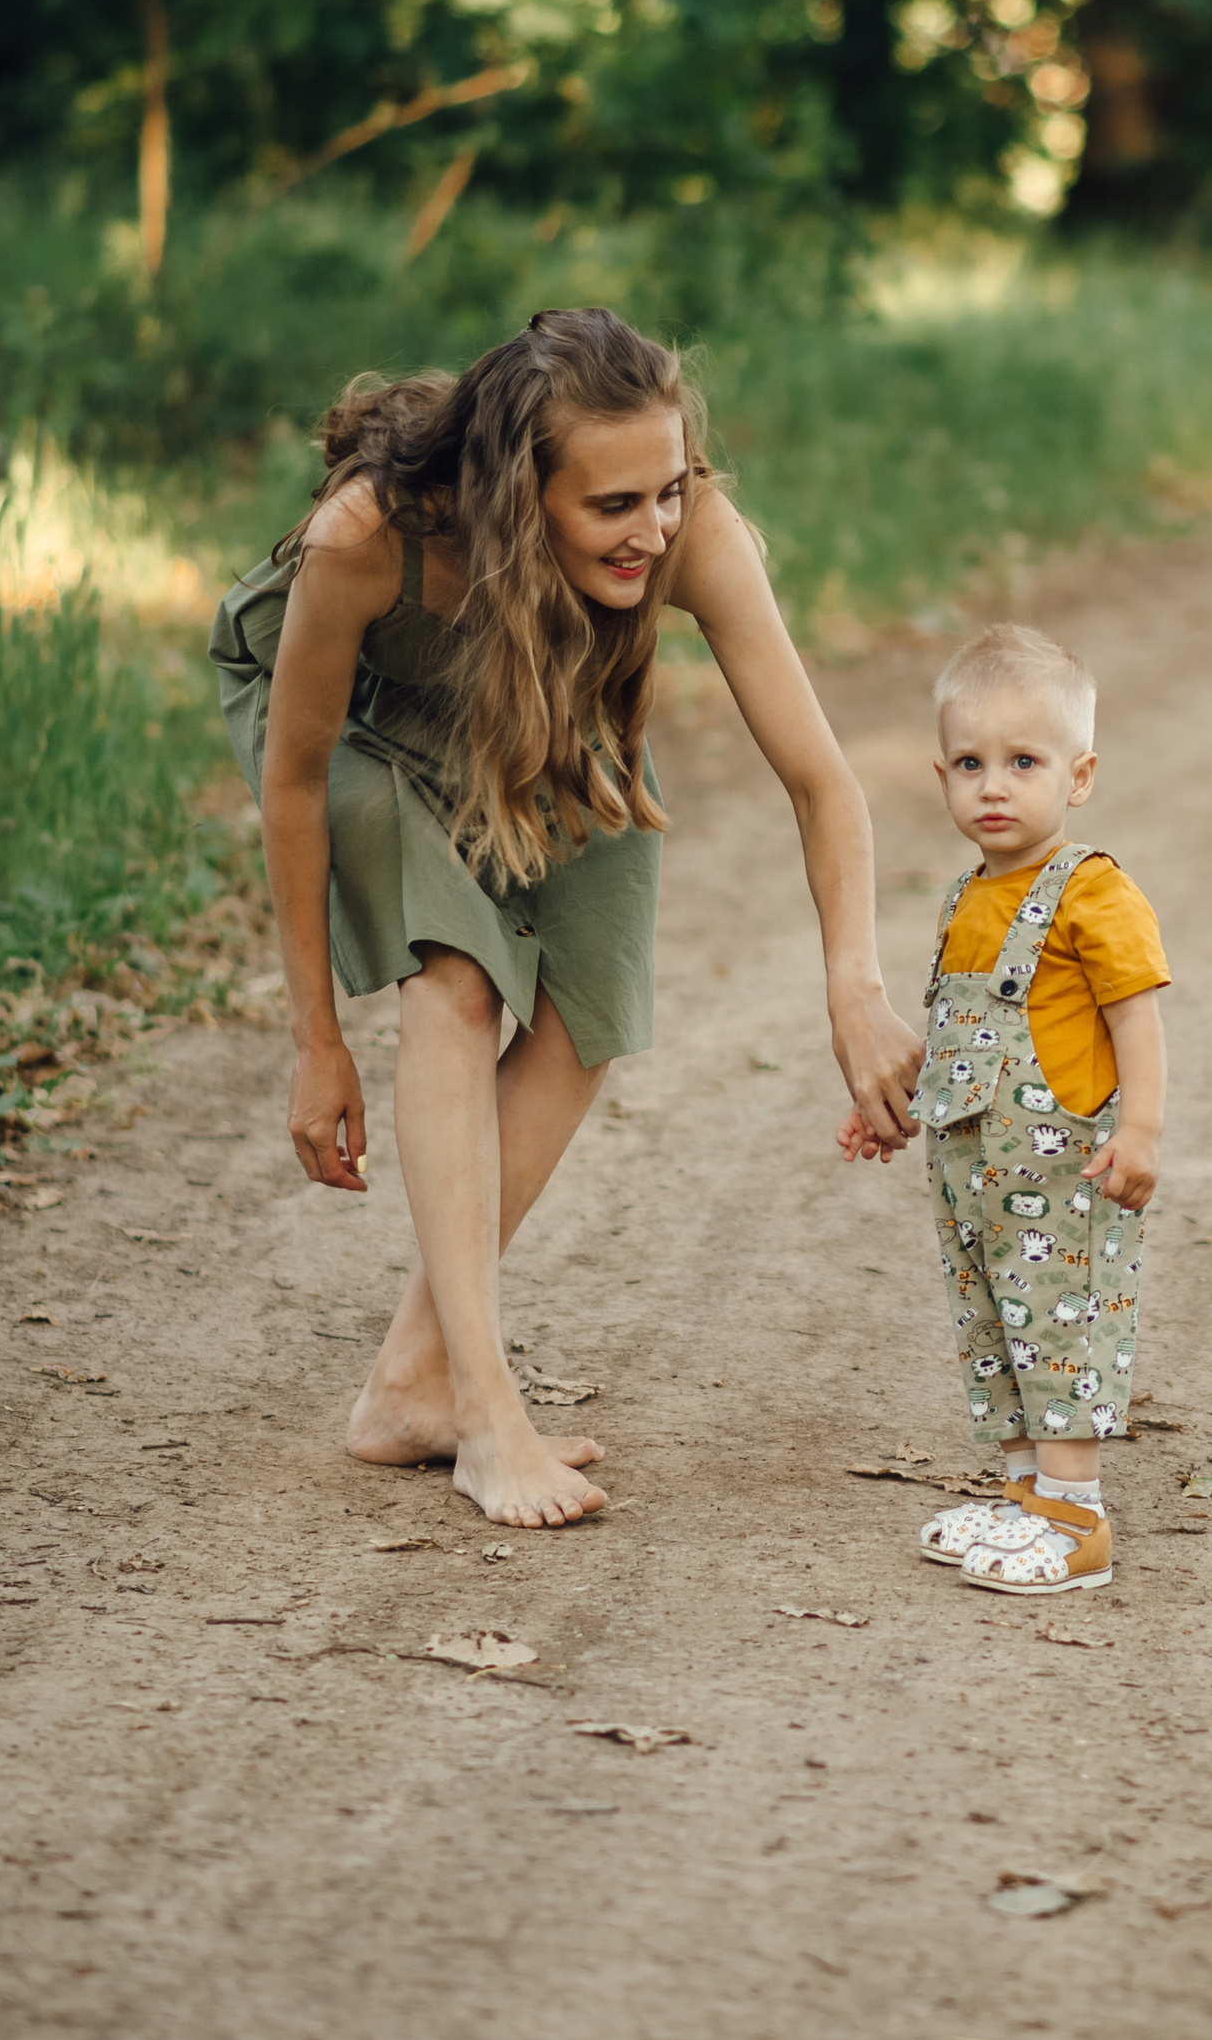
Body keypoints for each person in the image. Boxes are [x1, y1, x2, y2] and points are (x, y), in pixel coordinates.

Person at [210, 307, 922, 1529]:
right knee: (458, 977)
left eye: (669, 491)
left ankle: (410, 1386)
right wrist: (315, 1037)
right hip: (369, 729)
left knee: (585, 1006)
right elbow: (292, 777)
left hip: (542, 703)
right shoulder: (370, 539)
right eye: (612, 506)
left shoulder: (686, 534)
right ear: (512, 489)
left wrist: (852, 984)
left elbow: (823, 780)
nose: (652, 529)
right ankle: (488, 1418)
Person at [837, 622, 1169, 1600]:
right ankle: (1027, 1499)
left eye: (1022, 762)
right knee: (994, 1331)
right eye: (971, 764)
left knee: (1056, 1333)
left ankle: (1077, 1522)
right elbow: (959, 1041)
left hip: (1063, 1175)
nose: (993, 786)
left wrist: (1140, 1130)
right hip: (976, 1174)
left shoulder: (1091, 891)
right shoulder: (965, 898)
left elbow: (1136, 1018)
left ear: (1077, 776)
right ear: (940, 773)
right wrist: (894, 1112)